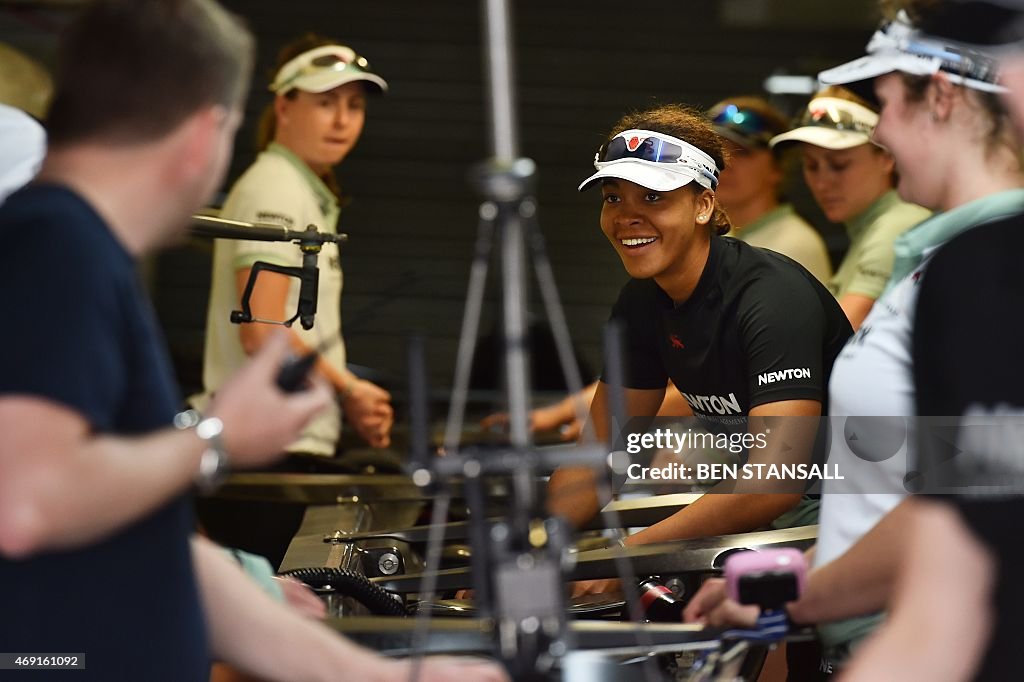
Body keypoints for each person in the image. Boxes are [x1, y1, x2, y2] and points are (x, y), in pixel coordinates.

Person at [0, 3, 506, 682]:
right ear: (209, 129)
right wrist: (217, 439)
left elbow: (156, 547)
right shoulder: (56, 247)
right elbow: (26, 501)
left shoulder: (81, 249)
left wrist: (390, 677)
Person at [684, 4, 1024, 676]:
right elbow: (909, 508)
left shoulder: (992, 270)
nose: (882, 131)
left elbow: (959, 534)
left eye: (888, 104)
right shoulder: (938, 260)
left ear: (944, 98)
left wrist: (788, 593)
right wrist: (781, 580)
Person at [547, 104, 853, 590]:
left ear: (704, 205)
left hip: (854, 511)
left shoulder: (771, 297)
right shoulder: (642, 301)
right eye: (612, 198)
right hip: (768, 514)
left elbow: (776, 481)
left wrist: (624, 557)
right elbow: (603, 455)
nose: (627, 217)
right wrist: (532, 551)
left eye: (652, 196)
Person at [199, 33, 393, 457]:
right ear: (284, 107)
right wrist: (349, 389)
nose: (342, 120)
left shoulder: (300, 190)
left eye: (354, 106)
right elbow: (262, 329)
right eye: (325, 102)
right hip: (269, 441)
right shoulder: (276, 189)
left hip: (281, 436)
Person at [770, 86, 930, 330]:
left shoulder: (897, 226)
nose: (822, 183)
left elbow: (834, 342)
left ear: (887, 156)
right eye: (811, 166)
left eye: (839, 165)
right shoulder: (875, 226)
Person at [709, 96, 832, 283]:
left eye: (742, 152)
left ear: (777, 168)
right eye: (718, 152)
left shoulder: (792, 245)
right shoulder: (725, 236)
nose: (725, 163)